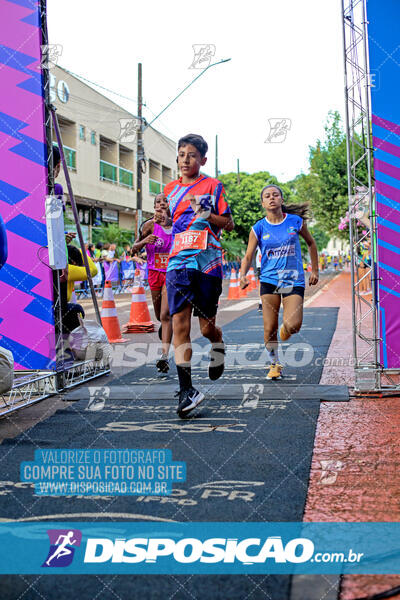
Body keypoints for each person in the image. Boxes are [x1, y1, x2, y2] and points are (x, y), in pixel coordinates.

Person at [164, 133, 234, 417]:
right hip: (178, 262)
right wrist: (163, 222)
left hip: (207, 263)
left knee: (205, 328)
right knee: (179, 324)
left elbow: (228, 224)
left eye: (192, 155)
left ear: (203, 160)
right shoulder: (169, 189)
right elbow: (173, 224)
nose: (185, 160)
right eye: (181, 154)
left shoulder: (214, 186)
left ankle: (217, 343)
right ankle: (186, 390)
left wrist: (206, 212)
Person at [240, 184, 319, 380]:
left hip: (292, 279)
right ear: (263, 203)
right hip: (269, 280)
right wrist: (242, 274)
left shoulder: (295, 221)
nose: (272, 198)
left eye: (275, 194)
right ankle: (274, 364)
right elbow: (249, 255)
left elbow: (311, 243)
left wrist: (314, 269)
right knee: (269, 328)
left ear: (282, 200)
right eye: (267, 196)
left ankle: (287, 328)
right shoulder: (258, 227)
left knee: (293, 325)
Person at [132, 193, 173, 374]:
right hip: (154, 273)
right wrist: (144, 241)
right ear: (154, 206)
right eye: (158, 201)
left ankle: (164, 356)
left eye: (165, 201)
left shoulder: (177, 224)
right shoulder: (149, 225)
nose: (161, 203)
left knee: (165, 315)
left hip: (171, 273)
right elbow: (134, 248)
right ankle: (165, 330)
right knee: (159, 316)